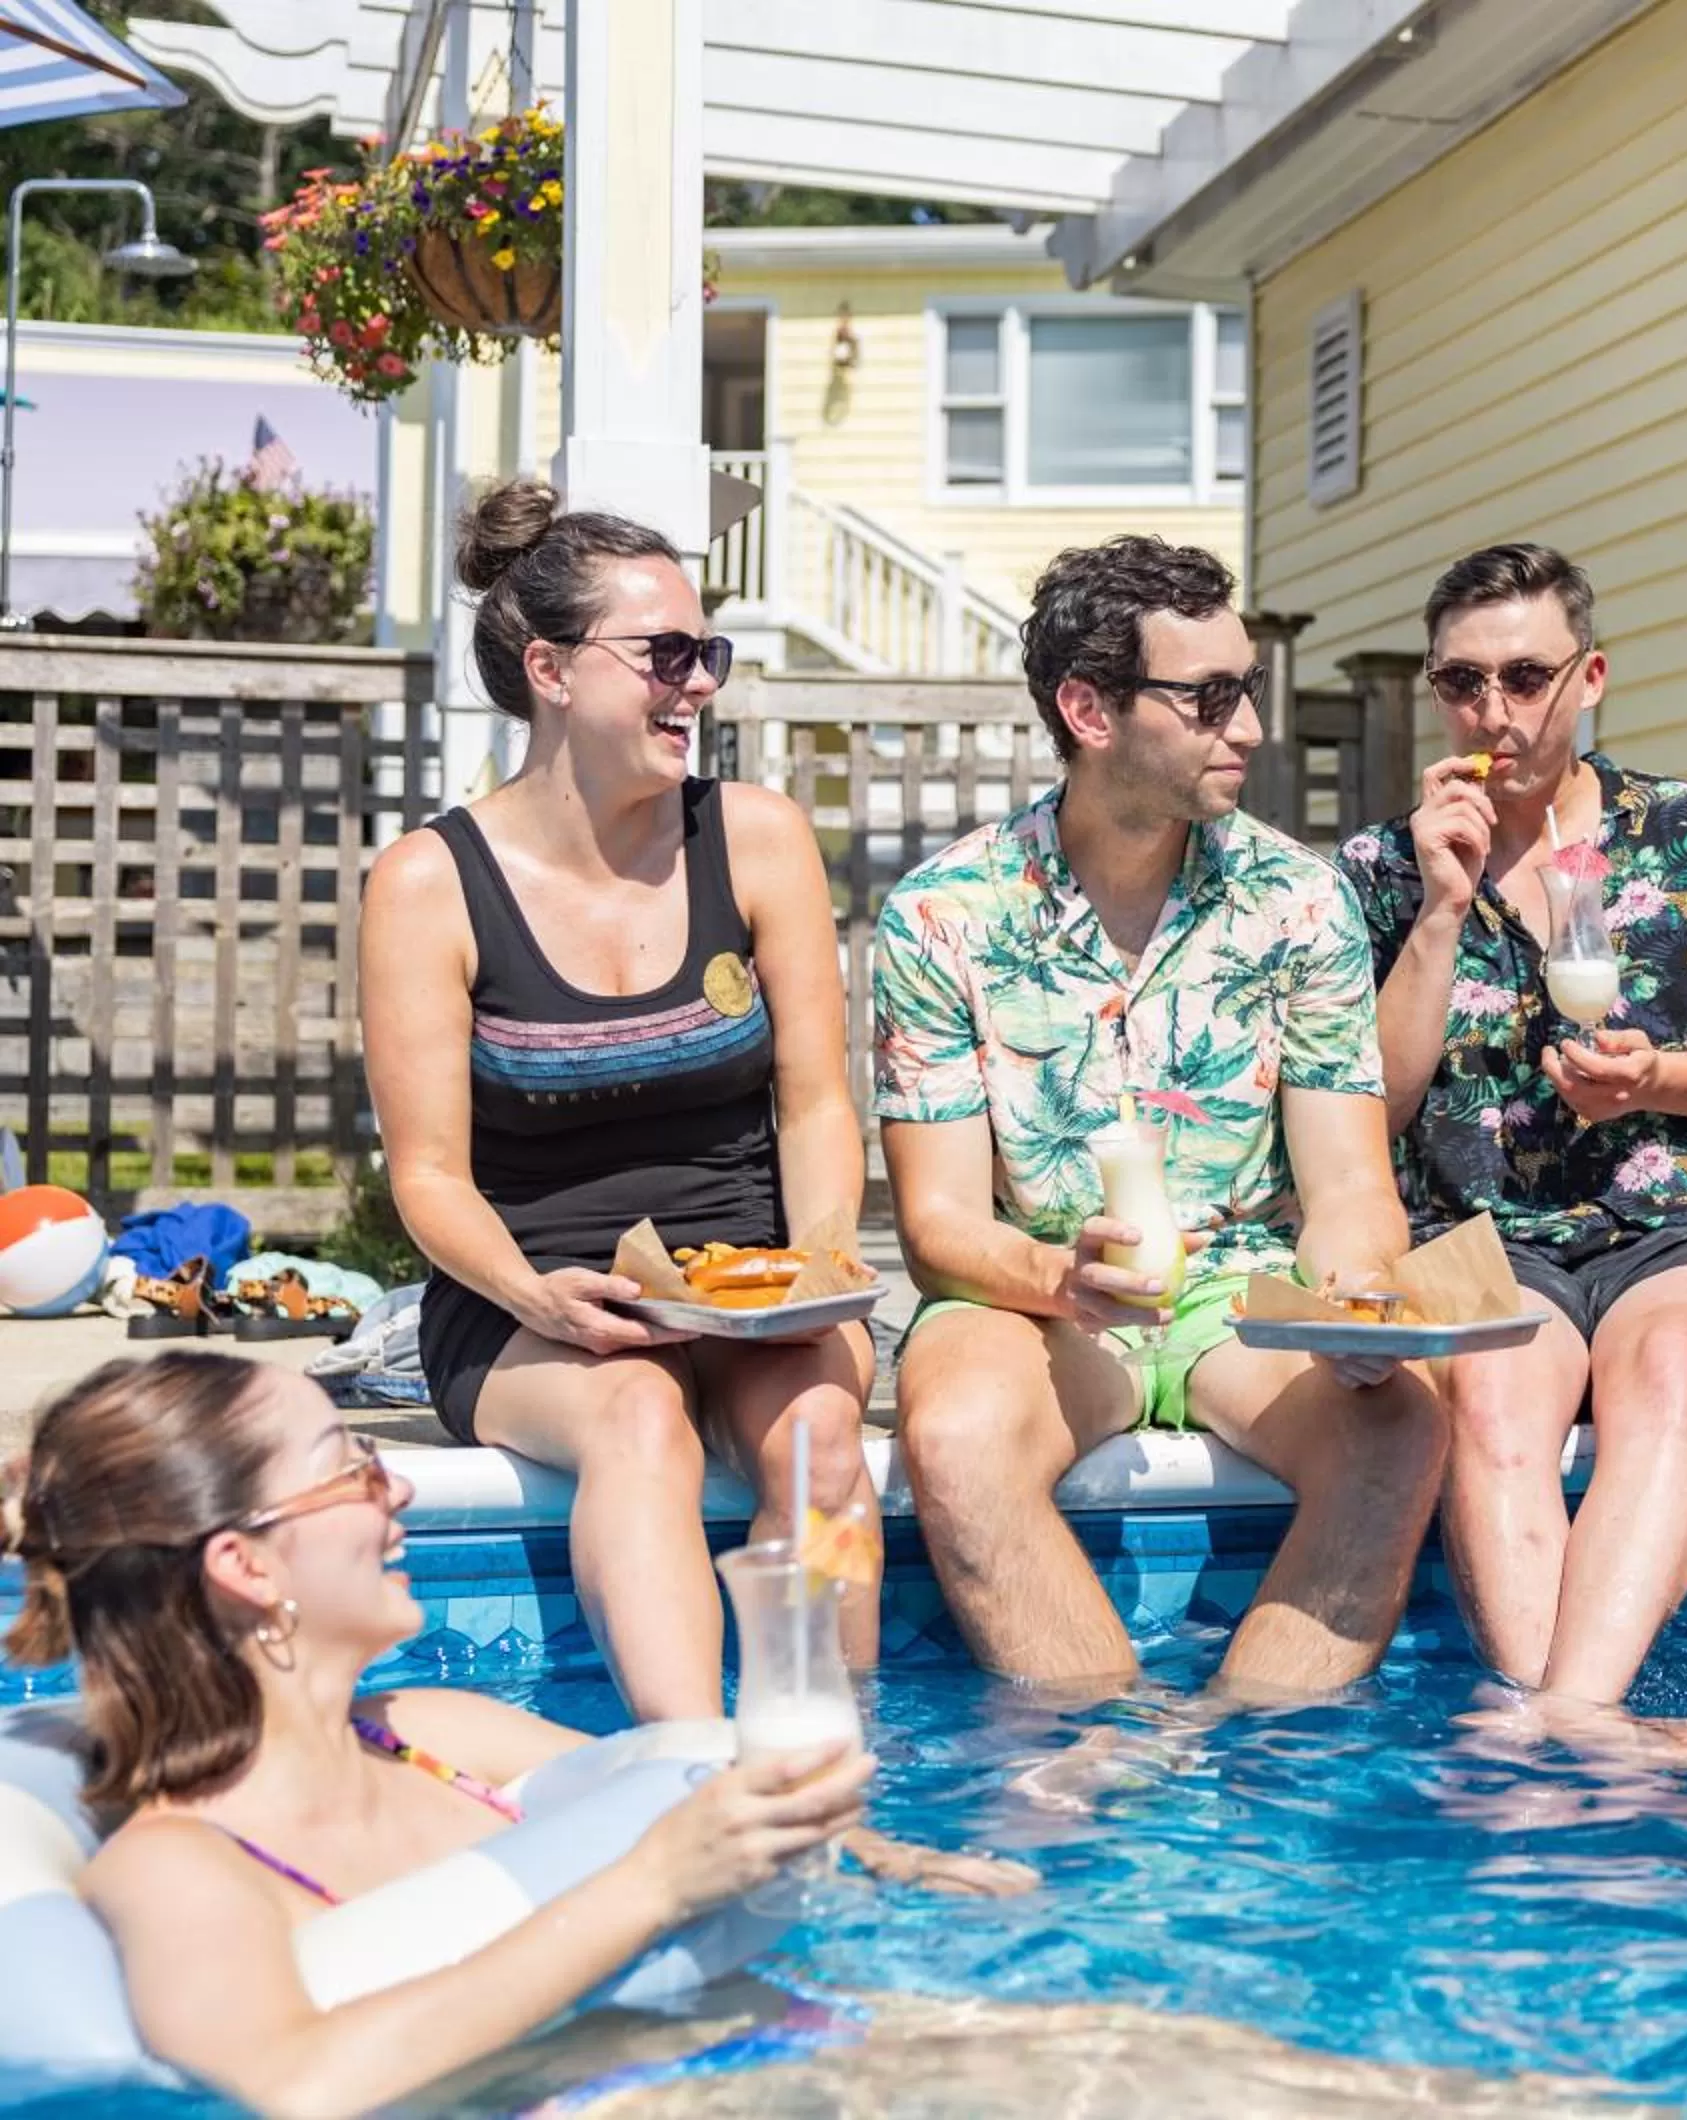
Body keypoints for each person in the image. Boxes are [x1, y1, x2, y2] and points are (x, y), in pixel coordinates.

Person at [5, 1354, 1017, 2115]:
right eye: (353, 1468)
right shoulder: (178, 1864)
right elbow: (286, 2082)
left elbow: (691, 1781)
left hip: (804, 2050)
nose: (395, 1486)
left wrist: (885, 1852)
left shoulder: (433, 1733)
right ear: (246, 1565)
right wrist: (654, 1884)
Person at [872, 536, 1445, 1699]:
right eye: (1210, 697)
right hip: (1035, 1294)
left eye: (1250, 691)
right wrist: (1056, 1274)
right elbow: (936, 1226)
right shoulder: (943, 915)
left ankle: (1249, 1764)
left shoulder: (1298, 901)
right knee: (957, 1439)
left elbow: (1345, 1187)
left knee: (1402, 1431)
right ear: (1089, 707)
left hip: (1240, 1285)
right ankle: (1112, 1761)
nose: (1249, 728)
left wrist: (1354, 1299)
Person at [360, 481, 874, 1724]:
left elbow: (814, 1104)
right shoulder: (430, 882)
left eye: (708, 654)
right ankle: (686, 1770)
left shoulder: (755, 839)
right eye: (665, 655)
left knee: (817, 1444)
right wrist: (541, 1297)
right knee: (641, 1418)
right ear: (549, 667)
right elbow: (426, 1174)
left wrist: (812, 1265)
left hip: (756, 1284)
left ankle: (836, 1761)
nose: (698, 683)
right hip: (530, 1294)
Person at [1337, 544, 1687, 1704]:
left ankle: (1563, 1722)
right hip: (1481, 1230)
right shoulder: (1381, 866)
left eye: (1527, 676)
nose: (1495, 711)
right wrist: (1439, 912)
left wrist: (1664, 1075)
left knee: (1670, 1370)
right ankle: (1563, 1721)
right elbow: (1373, 1104)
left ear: (1593, 677)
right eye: (1463, 681)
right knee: (1492, 1388)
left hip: (1677, 1222)